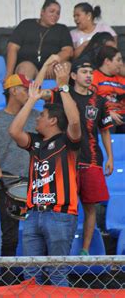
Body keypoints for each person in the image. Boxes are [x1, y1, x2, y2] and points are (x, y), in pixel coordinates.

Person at [9, 63, 81, 286]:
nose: (37, 118)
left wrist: (63, 88)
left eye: (42, 115)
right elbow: (14, 131)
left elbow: (75, 121)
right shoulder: (36, 142)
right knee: (30, 277)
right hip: (33, 214)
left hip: (59, 214)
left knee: (58, 273)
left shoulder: (68, 141)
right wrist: (31, 99)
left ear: (53, 121)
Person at [43, 60, 113, 255]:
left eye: (91, 71)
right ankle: (61, 251)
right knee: (66, 207)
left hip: (91, 161)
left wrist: (110, 157)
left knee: (91, 208)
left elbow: (105, 131)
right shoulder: (60, 94)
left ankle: (85, 250)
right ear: (73, 76)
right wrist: (46, 71)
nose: (89, 75)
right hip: (66, 162)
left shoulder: (99, 101)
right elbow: (38, 94)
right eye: (84, 71)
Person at [0, 73, 40, 257]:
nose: (29, 92)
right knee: (9, 237)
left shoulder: (39, 117)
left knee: (37, 234)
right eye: (25, 89)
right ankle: (9, 280)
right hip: (9, 185)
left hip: (37, 184)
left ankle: (36, 279)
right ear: (13, 91)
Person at [6, 0, 73, 80]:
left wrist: (51, 63)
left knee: (66, 66)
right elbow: (12, 47)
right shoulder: (26, 24)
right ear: (42, 12)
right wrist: (8, 74)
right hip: (29, 67)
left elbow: (68, 51)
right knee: (26, 68)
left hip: (50, 70)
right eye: (52, 11)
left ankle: (61, 93)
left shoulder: (62, 29)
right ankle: (26, 93)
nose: (55, 15)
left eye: (58, 13)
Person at [91, 46, 125, 133]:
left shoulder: (122, 79)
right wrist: (106, 112)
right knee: (107, 121)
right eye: (118, 60)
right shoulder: (94, 76)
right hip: (104, 114)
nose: (121, 63)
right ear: (107, 61)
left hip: (122, 115)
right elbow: (91, 99)